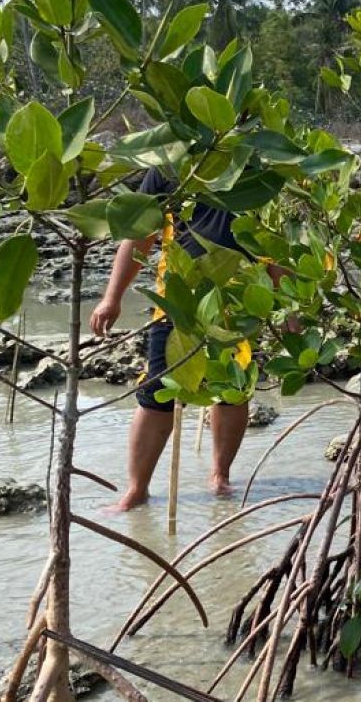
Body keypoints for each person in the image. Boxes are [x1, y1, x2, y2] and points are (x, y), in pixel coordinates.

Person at [90, 169, 249, 512]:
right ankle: (137, 490)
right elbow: (140, 235)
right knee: (156, 394)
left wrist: (291, 307)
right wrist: (111, 297)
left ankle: (220, 475)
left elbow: (273, 241)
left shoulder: (256, 161)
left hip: (240, 300)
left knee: (232, 391)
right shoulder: (169, 165)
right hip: (177, 298)